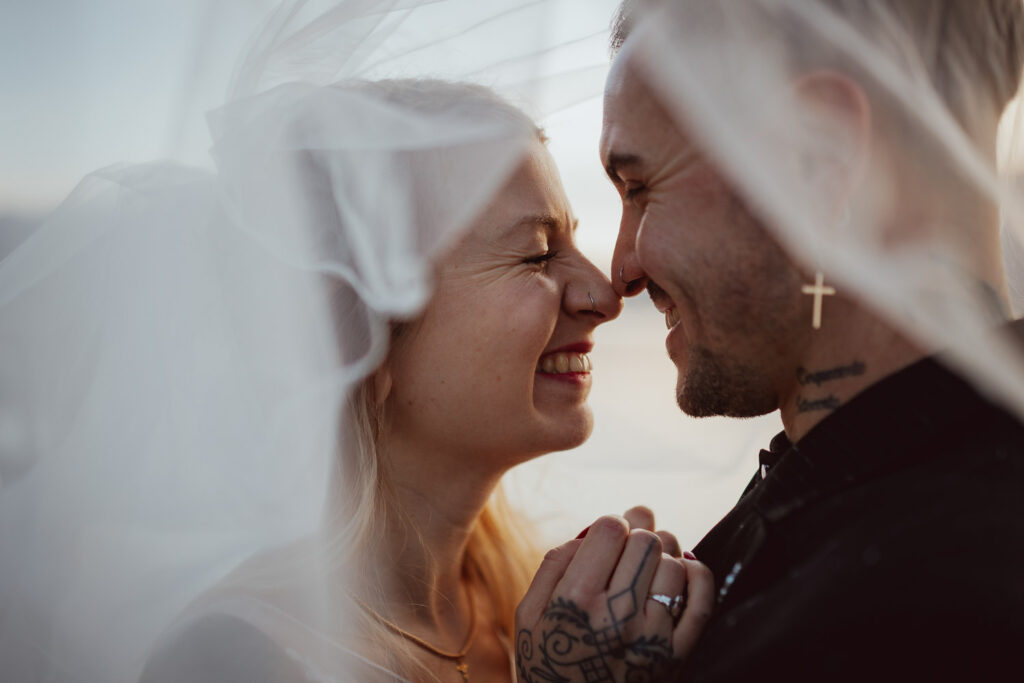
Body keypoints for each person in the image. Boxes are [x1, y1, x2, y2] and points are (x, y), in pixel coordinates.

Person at [517, 1, 1024, 681]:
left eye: (640, 186)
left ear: (819, 157)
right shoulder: (860, 486)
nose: (622, 273)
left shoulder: (911, 613)